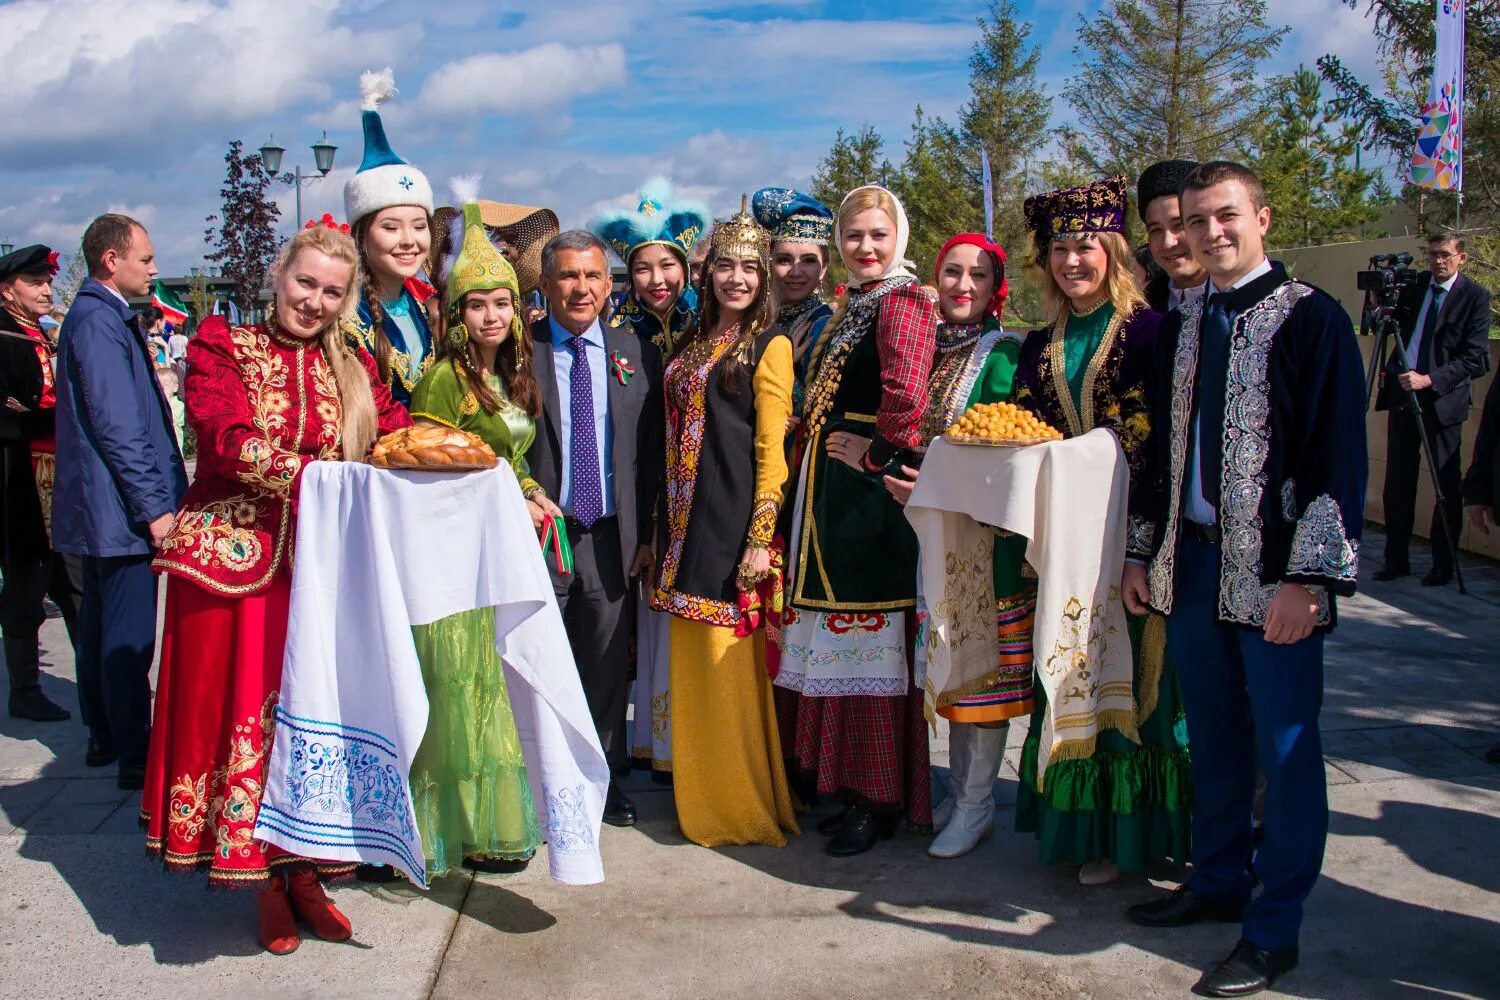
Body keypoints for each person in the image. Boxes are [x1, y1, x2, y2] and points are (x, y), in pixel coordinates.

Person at [1122, 162, 1367, 998]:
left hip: (1274, 579)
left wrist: (1312, 580)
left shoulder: (1312, 320)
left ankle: (1273, 931)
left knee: (1287, 754)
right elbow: (1161, 458)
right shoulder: (1185, 325)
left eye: (1225, 216)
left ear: (1261, 217)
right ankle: (1217, 881)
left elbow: (1338, 454)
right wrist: (1141, 550)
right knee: (1215, 745)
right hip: (1191, 567)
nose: (1208, 233)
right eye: (1194, 221)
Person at [143, 221, 411, 953]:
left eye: (331, 292)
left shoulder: (353, 364)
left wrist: (459, 466)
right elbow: (223, 435)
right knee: (242, 722)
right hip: (231, 569)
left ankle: (305, 875)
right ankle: (258, 878)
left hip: (320, 571)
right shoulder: (221, 343)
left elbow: (395, 433)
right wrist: (319, 476)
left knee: (309, 720)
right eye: (305, 283)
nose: (314, 301)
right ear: (278, 275)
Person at [1009, 175, 1188, 886]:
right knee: (1068, 672)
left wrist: (1070, 459)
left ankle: (1133, 837)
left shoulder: (1152, 330)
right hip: (1063, 540)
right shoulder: (1038, 341)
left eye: (1086, 246)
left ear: (1114, 251)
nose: (1072, 261)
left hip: (1131, 533)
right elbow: (1025, 425)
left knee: (1137, 686)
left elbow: (1152, 432)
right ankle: (1081, 831)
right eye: (1060, 249)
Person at [774, 185, 938, 857]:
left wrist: (876, 456)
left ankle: (878, 797)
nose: (865, 247)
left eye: (877, 234)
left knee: (868, 644)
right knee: (839, 647)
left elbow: (907, 394)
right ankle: (851, 788)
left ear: (898, 236)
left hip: (866, 508)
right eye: (853, 236)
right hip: (832, 498)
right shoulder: (859, 302)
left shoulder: (902, 301)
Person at [404, 183, 562, 879]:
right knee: (459, 685)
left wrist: (530, 489)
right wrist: (509, 497)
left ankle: (490, 824)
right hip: (453, 562)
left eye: (502, 301)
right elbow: (431, 472)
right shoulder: (443, 379)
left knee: (492, 683)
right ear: (456, 312)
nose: (493, 314)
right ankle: (458, 830)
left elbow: (506, 455)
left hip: (497, 553)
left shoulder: (510, 373)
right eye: (478, 303)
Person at [877, 233, 1032, 859]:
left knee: (980, 672)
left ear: (997, 289)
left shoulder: (1004, 357)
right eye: (951, 273)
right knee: (945, 668)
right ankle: (961, 792)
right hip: (926, 534)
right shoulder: (923, 348)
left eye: (977, 276)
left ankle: (975, 805)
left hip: (982, 542)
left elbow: (1010, 449)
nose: (962, 286)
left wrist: (930, 480)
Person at [649, 197, 799, 847]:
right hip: (683, 528)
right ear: (707, 274)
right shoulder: (694, 341)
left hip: (732, 526)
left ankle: (736, 806)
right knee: (693, 670)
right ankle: (699, 796)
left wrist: (760, 540)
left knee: (726, 669)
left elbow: (773, 451)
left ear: (764, 278)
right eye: (725, 267)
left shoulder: (771, 344)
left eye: (749, 268)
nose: (736, 278)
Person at [525, 229, 664, 828]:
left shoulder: (634, 350)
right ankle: (534, 784)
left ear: (610, 285)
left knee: (606, 667)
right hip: (539, 534)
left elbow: (651, 450)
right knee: (533, 660)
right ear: (546, 284)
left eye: (592, 276)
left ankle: (600, 779)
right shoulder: (517, 348)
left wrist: (649, 534)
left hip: (611, 537)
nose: (581, 288)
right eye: (568, 276)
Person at [53, 214, 187, 788]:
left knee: (99, 627)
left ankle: (106, 734)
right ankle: (135, 751)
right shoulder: (98, 320)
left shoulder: (96, 315)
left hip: (106, 506)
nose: (155, 268)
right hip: (121, 509)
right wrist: (154, 508)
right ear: (112, 259)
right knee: (129, 636)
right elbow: (119, 425)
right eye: (146, 257)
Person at [589, 180, 709, 782]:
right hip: (643, 490)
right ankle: (652, 740)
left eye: (667, 265)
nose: (657, 278)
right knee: (646, 620)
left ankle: (693, 735)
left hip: (703, 489)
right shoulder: (617, 334)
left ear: (687, 267)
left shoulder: (710, 323)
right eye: (643, 268)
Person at [1374, 230, 1492, 586]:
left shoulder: (1474, 297)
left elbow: (1475, 358)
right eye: (1432, 254)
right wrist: (1379, 300)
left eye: (1444, 255)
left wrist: (1430, 379)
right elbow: (1384, 322)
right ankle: (1396, 559)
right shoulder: (1416, 285)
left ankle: (1442, 564)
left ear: (1461, 258)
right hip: (1403, 398)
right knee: (1398, 481)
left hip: (1442, 401)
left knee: (1445, 483)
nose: (1437, 261)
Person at [0, 244, 81, 722]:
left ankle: (95, 682)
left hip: (58, 479)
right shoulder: (7, 340)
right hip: (18, 484)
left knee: (73, 585)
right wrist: (40, 414)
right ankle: (24, 690)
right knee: (26, 583)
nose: (47, 290)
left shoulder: (40, 335)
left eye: (48, 281)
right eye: (35, 283)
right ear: (8, 290)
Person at [345, 68, 437, 409]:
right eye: (390, 227)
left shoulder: (422, 312)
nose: (409, 240)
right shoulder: (344, 315)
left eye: (418, 225)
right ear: (361, 236)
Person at [752, 187, 835, 416]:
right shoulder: (755, 318)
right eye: (784, 259)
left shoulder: (825, 325)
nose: (795, 271)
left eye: (808, 260)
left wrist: (784, 369)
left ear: (824, 267)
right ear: (768, 264)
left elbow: (819, 411)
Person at [1137, 159, 1208, 314]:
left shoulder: (1246, 299)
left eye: (1179, 225)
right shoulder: (1140, 309)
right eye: (1156, 230)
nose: (1168, 243)